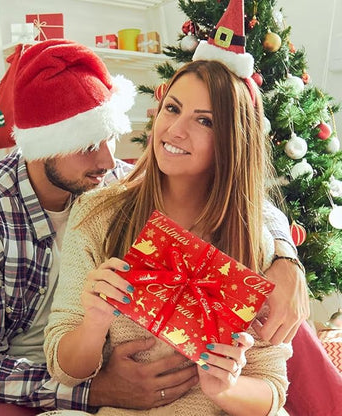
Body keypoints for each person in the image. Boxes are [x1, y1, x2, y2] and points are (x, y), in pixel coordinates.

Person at [43, 3, 293, 414]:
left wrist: (224, 388)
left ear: (233, 141)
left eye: (205, 121)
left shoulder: (255, 238)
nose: (175, 130)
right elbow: (65, 369)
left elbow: (272, 387)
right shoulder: (98, 215)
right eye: (173, 108)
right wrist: (94, 322)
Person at [0, 40, 199, 416]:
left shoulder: (114, 184)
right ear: (44, 144)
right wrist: (98, 390)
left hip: (95, 355)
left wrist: (285, 254)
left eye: (109, 135)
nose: (107, 159)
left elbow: (216, 193)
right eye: (87, 144)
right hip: (2, 384)